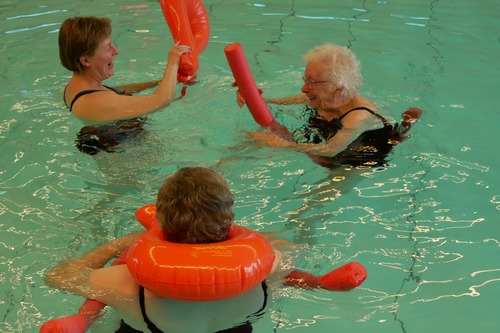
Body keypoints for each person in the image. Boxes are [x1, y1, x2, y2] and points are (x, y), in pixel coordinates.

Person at [42, 167, 367, 333]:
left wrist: (121, 244)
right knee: (288, 274)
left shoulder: (124, 283)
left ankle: (81, 321)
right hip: (234, 326)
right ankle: (323, 282)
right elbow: (293, 250)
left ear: (163, 225)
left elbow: (58, 276)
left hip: (149, 322)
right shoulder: (264, 264)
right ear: (229, 223)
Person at [236, 43, 422, 169]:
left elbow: (331, 150)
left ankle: (405, 126)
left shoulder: (359, 116)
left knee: (318, 197)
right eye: (305, 79)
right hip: (325, 137)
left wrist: (282, 145)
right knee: (262, 136)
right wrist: (251, 94)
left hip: (358, 156)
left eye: (312, 82)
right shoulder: (321, 97)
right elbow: (276, 102)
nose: (304, 88)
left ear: (338, 89)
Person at [58, 16, 191, 154]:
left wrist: (163, 82)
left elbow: (117, 92)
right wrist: (173, 60)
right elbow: (162, 100)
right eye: (107, 47)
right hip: (130, 157)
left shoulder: (73, 88)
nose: (116, 51)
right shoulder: (96, 102)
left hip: (119, 143)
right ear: (85, 60)